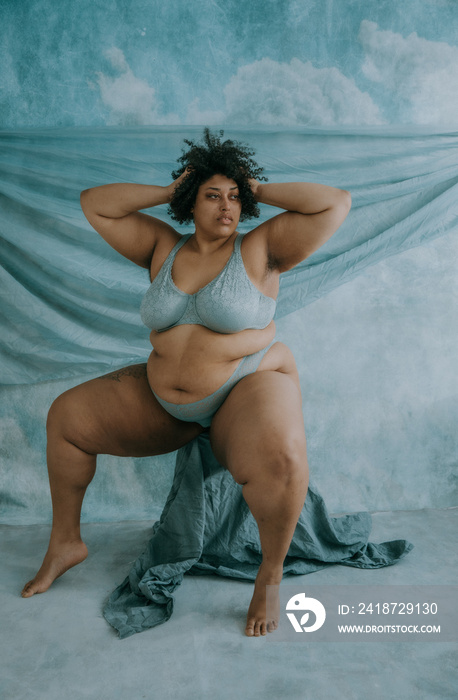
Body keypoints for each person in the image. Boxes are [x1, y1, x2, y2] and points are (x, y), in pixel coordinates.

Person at [21, 129, 351, 637]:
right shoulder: (161, 247)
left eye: (234, 196)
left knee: (283, 459)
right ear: (189, 202)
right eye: (212, 195)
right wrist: (165, 191)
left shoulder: (261, 247)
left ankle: (270, 573)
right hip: (163, 401)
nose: (227, 206)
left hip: (241, 388)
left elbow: (334, 204)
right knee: (65, 417)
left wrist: (256, 188)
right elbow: (96, 205)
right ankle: (66, 542)